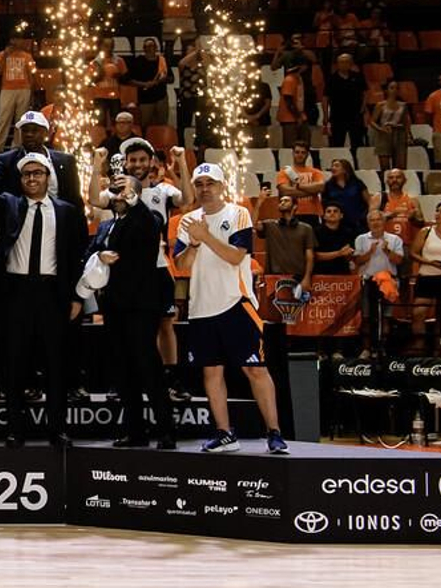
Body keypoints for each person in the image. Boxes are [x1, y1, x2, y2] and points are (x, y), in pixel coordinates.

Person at [174, 163, 288, 455]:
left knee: (255, 369)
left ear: (221, 186)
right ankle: (225, 433)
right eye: (199, 184)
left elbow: (236, 256)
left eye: (210, 183)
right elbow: (181, 265)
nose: (204, 189)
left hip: (236, 302)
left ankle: (274, 433)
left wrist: (206, 237)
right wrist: (194, 244)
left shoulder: (239, 214)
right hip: (201, 308)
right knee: (211, 372)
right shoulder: (188, 220)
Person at [0, 148, 88, 447]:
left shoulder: (66, 211)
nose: (32, 178)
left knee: (55, 363)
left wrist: (77, 297)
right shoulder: (10, 204)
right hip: (15, 292)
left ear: (48, 177)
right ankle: (16, 429)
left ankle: (57, 429)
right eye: (26, 174)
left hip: (53, 293)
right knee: (15, 361)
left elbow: (76, 256)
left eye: (37, 173)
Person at [95, 175, 178, 449]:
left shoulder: (147, 218)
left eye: (125, 192)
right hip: (113, 305)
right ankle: (135, 431)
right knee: (123, 368)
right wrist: (98, 256)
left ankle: (165, 430)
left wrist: (133, 197)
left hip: (141, 305)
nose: (118, 196)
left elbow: (150, 228)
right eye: (116, 192)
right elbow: (93, 251)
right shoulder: (107, 225)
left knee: (148, 365)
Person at [0, 110, 84, 208]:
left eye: (34, 130)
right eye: (25, 130)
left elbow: (75, 199)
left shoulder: (66, 161)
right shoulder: (6, 161)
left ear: (46, 133)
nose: (29, 134)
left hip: (59, 216)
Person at [352, 209, 406, 357]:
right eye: (372, 220)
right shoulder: (361, 239)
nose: (375, 223)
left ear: (384, 222)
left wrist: (387, 250)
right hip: (367, 282)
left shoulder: (394, 239)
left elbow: (399, 260)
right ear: (368, 223)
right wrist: (370, 252)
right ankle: (366, 349)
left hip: (388, 283)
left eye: (378, 220)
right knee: (366, 316)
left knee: (385, 317)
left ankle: (382, 348)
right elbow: (357, 261)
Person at [259, 194, 316, 286]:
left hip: (298, 276)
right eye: (281, 201)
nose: (282, 203)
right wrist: (259, 202)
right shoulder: (270, 225)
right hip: (274, 276)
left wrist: (307, 277)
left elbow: (309, 256)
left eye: (286, 201)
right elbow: (252, 225)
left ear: (295, 206)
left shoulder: (306, 228)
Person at [409, 203, 441, 342]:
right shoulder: (426, 231)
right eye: (437, 211)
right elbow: (413, 253)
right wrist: (429, 262)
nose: (438, 214)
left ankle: (439, 347)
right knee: (418, 312)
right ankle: (419, 345)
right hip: (427, 277)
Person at [367, 81, 410, 172]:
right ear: (386, 90)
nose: (394, 90)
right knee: (385, 167)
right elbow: (372, 121)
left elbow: (406, 122)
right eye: (392, 88)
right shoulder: (380, 105)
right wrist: (380, 129)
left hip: (399, 133)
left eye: (397, 88)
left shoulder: (403, 105)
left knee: (400, 166)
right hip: (384, 134)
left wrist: (408, 135)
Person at [275, 141, 326, 217]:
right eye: (297, 152)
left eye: (303, 152)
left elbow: (321, 187)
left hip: (313, 212)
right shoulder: (285, 172)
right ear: (293, 153)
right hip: (292, 213)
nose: (300, 155)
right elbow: (285, 191)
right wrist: (312, 191)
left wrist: (300, 186)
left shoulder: (316, 172)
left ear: (307, 154)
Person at [312, 202, 359, 275]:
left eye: (335, 211)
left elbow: (350, 256)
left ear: (341, 215)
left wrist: (348, 254)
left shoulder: (348, 232)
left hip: (342, 273)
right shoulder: (316, 232)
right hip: (321, 273)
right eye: (329, 211)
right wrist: (339, 253)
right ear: (324, 216)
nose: (332, 213)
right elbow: (315, 256)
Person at [321, 159, 370, 225]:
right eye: (332, 166)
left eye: (336, 166)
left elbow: (368, 200)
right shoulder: (328, 185)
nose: (333, 168)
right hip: (338, 222)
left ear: (345, 169)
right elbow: (325, 203)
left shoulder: (357, 183)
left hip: (358, 220)